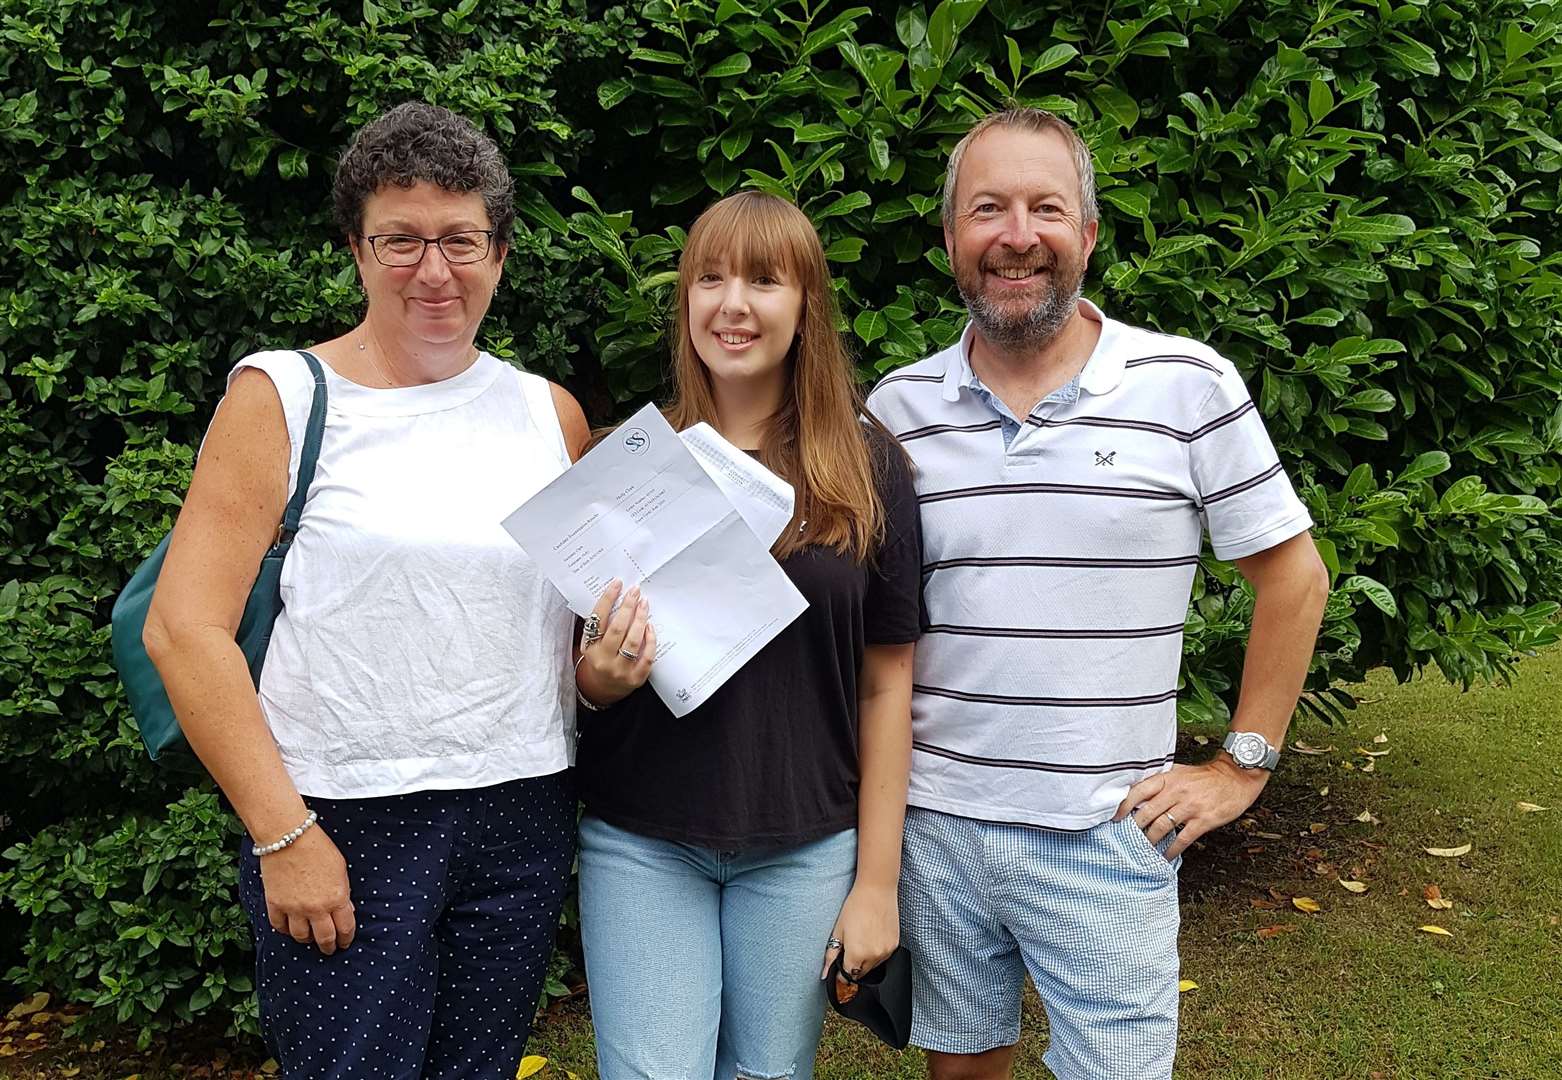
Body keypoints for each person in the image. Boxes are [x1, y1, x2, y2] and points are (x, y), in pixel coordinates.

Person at [865, 108, 1331, 1080]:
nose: (1015, 235)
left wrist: (1241, 764)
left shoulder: (1184, 384)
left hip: (1106, 832)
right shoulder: (894, 410)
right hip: (936, 827)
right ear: (950, 237)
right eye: (986, 209)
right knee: (957, 1066)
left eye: (1045, 207)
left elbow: (1291, 576)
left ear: (1085, 233)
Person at [143, 101, 590, 1080]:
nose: (433, 271)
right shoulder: (284, 397)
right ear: (356, 247)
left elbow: (560, 635)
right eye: (400, 240)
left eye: (460, 240)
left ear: (500, 253)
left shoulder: (547, 414)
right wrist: (282, 832)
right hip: (344, 819)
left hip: (519, 813)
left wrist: (614, 666)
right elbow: (184, 629)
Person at [569, 190, 922, 1080]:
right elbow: (582, 671)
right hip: (644, 838)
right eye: (710, 279)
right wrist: (601, 678)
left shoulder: (870, 470)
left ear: (807, 306)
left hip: (803, 845)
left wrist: (876, 885)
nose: (734, 305)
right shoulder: (629, 464)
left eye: (765, 281)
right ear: (685, 300)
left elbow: (886, 689)